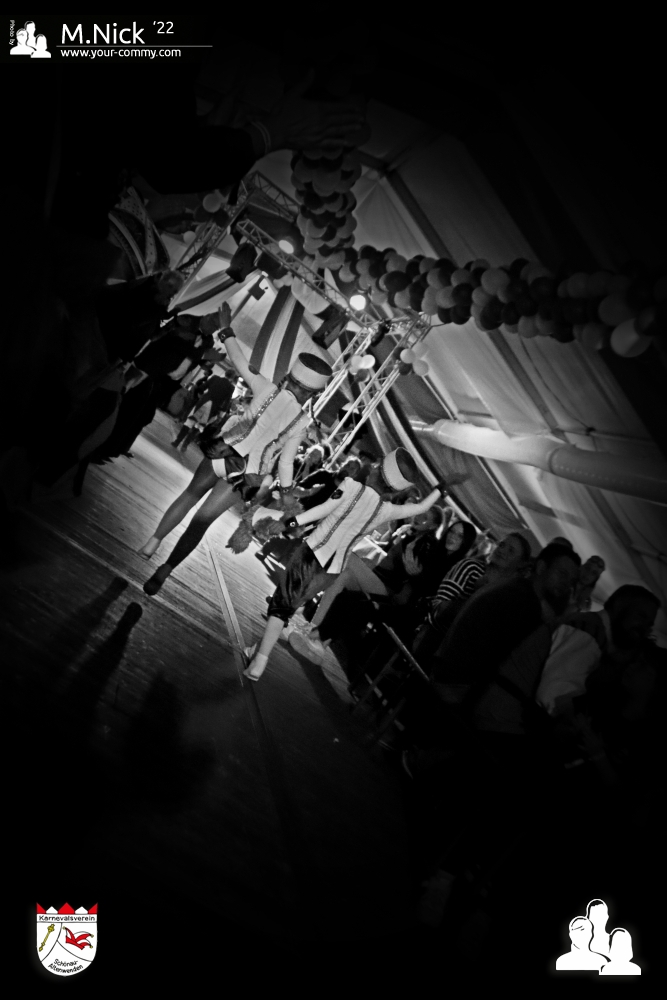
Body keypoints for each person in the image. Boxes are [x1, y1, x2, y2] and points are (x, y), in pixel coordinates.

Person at [140, 303, 332, 594]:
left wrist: (227, 328)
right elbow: (285, 463)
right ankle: (164, 571)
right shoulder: (302, 422)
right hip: (247, 473)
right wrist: (287, 492)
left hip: (223, 452)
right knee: (201, 522)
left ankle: (153, 542)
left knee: (189, 495)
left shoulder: (265, 388)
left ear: (291, 377)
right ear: (314, 393)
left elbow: (239, 359)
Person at [242, 448, 448, 681]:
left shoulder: (351, 486)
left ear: (377, 471)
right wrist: (441, 489)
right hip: (332, 570)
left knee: (281, 605)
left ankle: (259, 663)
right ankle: (256, 651)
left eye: (376, 466)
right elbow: (420, 508)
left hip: (312, 554)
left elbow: (321, 510)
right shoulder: (386, 510)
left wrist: (289, 522)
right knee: (287, 606)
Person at [289, 502, 447, 663]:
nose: (419, 518)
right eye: (420, 513)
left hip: (388, 591)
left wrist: (412, 569)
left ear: (433, 526)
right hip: (379, 582)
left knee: (349, 558)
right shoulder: (411, 535)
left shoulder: (427, 544)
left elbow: (417, 576)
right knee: (342, 576)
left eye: (425, 517)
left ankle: (302, 596)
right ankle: (317, 633)